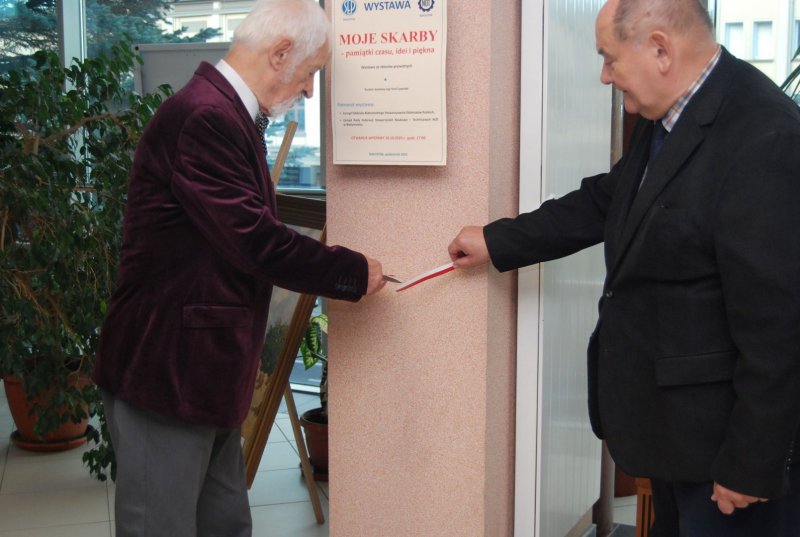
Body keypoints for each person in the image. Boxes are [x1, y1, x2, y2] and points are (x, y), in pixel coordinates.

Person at [448, 0, 800, 535]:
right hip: (679, 437)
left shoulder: (765, 138)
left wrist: (751, 461)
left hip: (729, 460)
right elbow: (608, 201)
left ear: (660, 49)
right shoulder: (672, 116)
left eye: (609, 58)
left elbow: (780, 329)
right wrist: (498, 241)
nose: (605, 76)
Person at [93, 1, 386, 535]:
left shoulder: (224, 112)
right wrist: (352, 271)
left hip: (206, 376)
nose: (309, 91)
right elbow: (256, 241)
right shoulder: (203, 116)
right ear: (280, 53)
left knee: (226, 524)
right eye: (311, 73)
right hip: (167, 375)